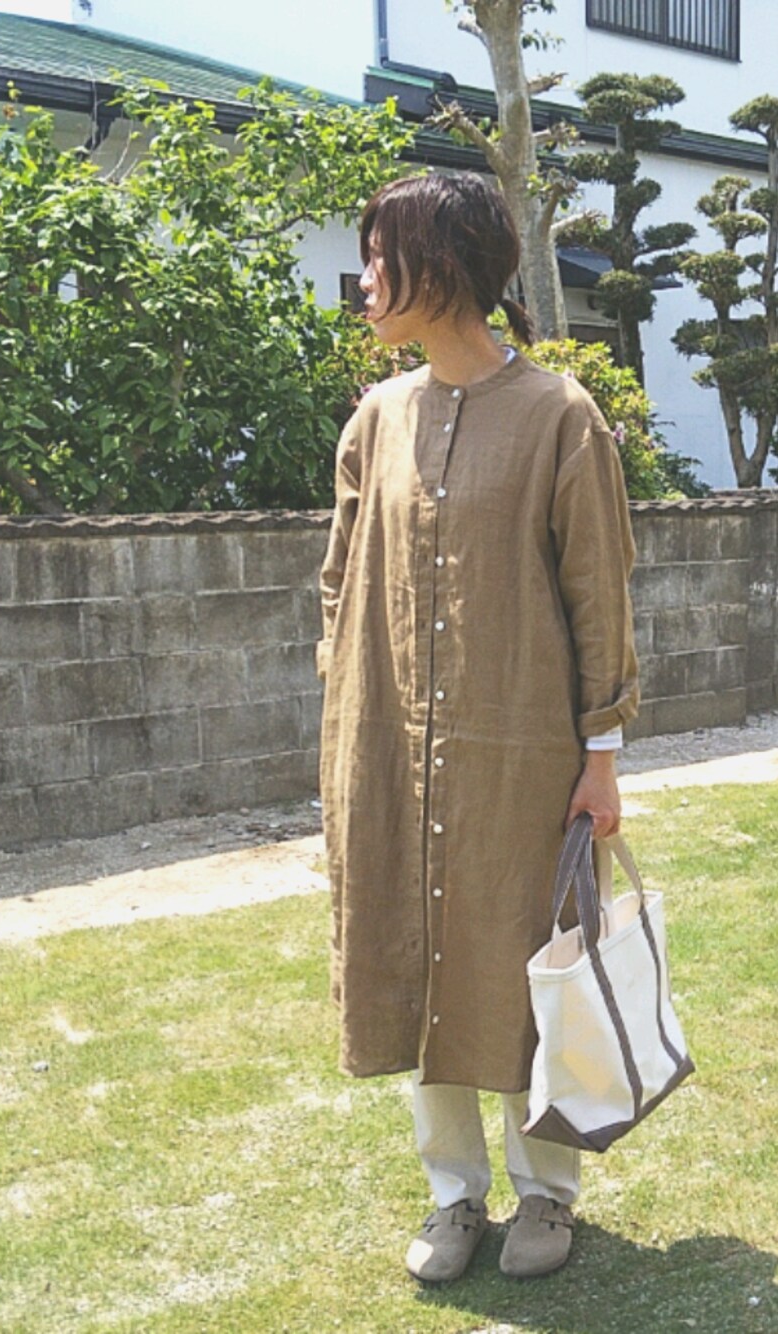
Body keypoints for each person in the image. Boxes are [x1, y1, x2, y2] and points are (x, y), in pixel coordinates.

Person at [315, 173, 640, 1283]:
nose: (365, 279)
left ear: (444, 267)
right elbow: (339, 580)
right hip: (389, 751)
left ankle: (547, 1188)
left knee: (529, 958)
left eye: (382, 256)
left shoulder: (559, 415)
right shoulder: (377, 418)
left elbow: (597, 591)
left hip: (524, 752)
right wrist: (347, 710)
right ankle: (453, 1193)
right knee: (419, 957)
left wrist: (601, 754)